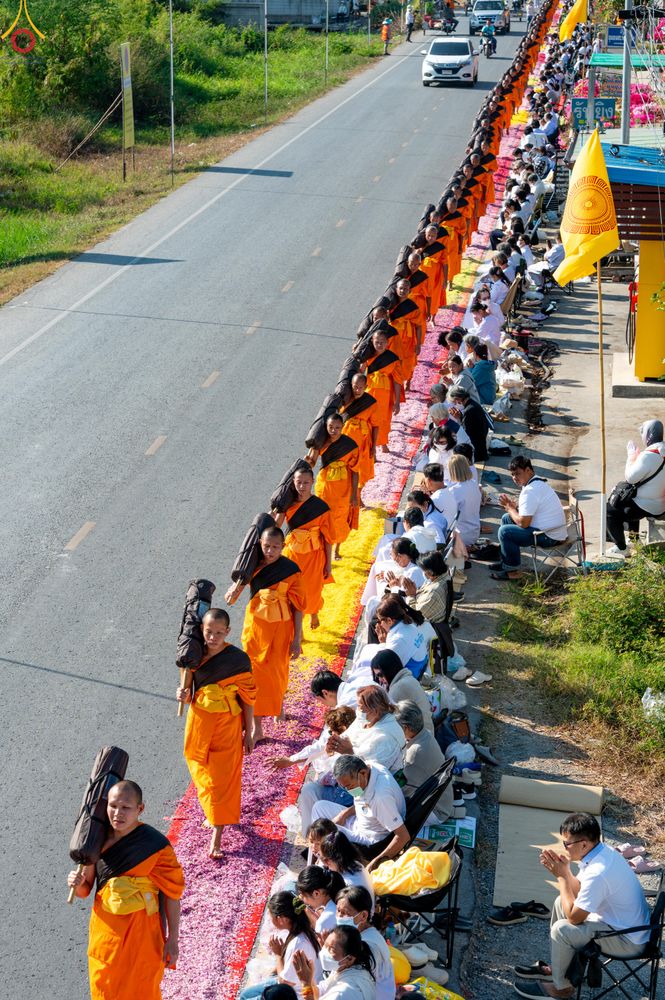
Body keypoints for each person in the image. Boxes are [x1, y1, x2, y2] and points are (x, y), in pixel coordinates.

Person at [67, 780, 185, 1000]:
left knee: (142, 991)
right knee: (105, 992)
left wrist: (173, 940)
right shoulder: (96, 841)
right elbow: (85, 890)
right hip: (106, 939)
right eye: (112, 806)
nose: (117, 814)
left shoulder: (155, 845)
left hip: (142, 939)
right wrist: (77, 882)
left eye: (126, 808)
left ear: (140, 809)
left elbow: (172, 893)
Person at [513, 813, 651, 1000]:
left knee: (562, 930)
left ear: (584, 844)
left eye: (566, 844)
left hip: (627, 941)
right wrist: (565, 871)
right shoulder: (603, 853)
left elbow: (574, 918)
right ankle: (561, 969)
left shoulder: (598, 872)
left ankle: (562, 989)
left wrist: (561, 877)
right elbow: (579, 892)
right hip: (624, 926)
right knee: (560, 902)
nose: (563, 848)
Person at [176, 608, 256, 859]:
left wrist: (251, 729)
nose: (213, 637)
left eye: (219, 633)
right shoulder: (193, 656)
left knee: (222, 780)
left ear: (228, 632)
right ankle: (213, 812)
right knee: (201, 771)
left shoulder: (238, 659)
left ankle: (217, 837)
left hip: (227, 726)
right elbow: (188, 692)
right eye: (209, 632)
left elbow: (249, 697)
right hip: (200, 725)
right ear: (202, 630)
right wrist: (182, 694)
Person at [231, 526, 306, 742]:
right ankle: (257, 727)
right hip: (256, 629)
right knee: (255, 676)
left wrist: (296, 638)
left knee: (278, 672)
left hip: (281, 630)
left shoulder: (291, 570)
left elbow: (298, 606)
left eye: (275, 547)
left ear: (283, 547)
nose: (270, 551)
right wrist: (233, 591)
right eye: (266, 546)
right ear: (260, 546)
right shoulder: (252, 567)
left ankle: (279, 704)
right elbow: (239, 586)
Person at [310, 755, 409, 869]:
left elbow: (403, 836)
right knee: (319, 807)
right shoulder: (371, 767)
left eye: (349, 786)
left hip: (368, 838)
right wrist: (344, 815)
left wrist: (376, 862)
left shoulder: (381, 798)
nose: (348, 791)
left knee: (323, 831)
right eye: (344, 787)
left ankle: (319, 869)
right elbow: (363, 802)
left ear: (362, 773)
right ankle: (317, 857)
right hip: (360, 820)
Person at [276, 464, 333, 631]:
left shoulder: (321, 507)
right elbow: (276, 527)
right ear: (293, 483)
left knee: (313, 590)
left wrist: (328, 564)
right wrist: (279, 507)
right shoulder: (289, 505)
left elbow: (328, 539)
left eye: (306, 483)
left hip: (315, 556)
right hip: (293, 554)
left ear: (313, 482)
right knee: (292, 592)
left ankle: (314, 611)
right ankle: (297, 630)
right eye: (298, 482)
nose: (302, 487)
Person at [490, 456, 567, 580]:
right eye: (512, 474)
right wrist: (512, 509)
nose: (515, 478)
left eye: (518, 474)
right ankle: (507, 563)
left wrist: (510, 508)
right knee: (506, 518)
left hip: (549, 536)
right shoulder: (535, 483)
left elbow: (524, 523)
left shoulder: (530, 490)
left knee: (505, 532)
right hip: (553, 531)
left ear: (528, 471)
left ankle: (512, 571)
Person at [238, 891, 321, 1000]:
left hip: (295, 994)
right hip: (297, 985)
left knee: (244, 998)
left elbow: (284, 984)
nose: (270, 919)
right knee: (245, 994)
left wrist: (278, 954)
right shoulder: (303, 929)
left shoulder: (297, 944)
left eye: (271, 916)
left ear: (282, 919)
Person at [606, 419, 665, 555]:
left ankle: (621, 548)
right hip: (661, 504)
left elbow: (630, 477)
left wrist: (631, 457)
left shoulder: (649, 456)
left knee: (610, 509)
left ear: (648, 435)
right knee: (629, 499)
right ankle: (633, 539)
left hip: (647, 507)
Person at [312, 413, 360, 560]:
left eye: (337, 428)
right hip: (325, 487)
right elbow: (312, 460)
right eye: (331, 427)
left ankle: (336, 549)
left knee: (340, 519)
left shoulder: (350, 445)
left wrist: (353, 495)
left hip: (343, 489)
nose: (334, 430)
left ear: (342, 427)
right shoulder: (321, 443)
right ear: (326, 427)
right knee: (325, 518)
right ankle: (324, 550)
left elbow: (355, 471)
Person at [335, 887, 396, 1000]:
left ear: (363, 916)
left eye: (345, 913)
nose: (339, 917)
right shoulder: (359, 934)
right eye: (338, 911)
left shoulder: (369, 945)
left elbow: (343, 972)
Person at [394, 701, 453, 816]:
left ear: (405, 728)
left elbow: (401, 789)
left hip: (436, 810)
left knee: (386, 811)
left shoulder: (415, 753)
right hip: (440, 799)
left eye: (394, 726)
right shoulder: (424, 733)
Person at [294, 925, 376, 999]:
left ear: (349, 958)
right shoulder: (343, 969)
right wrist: (310, 979)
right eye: (325, 945)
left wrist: (306, 984)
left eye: (331, 949)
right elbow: (322, 990)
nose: (324, 952)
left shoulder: (345, 992)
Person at [370, 647, 435, 734]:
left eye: (381, 675)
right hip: (426, 733)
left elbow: (385, 720)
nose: (380, 680)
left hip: (420, 739)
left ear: (390, 670)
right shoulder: (407, 678)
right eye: (378, 676)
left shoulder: (398, 688)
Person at [341, 373, 379, 492]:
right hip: (345, 439)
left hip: (363, 442)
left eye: (360, 387)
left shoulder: (370, 402)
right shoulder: (345, 400)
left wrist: (373, 446)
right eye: (355, 387)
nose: (357, 390)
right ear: (351, 386)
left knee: (361, 469)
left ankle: (358, 494)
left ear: (366, 386)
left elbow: (376, 425)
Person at [319, 830, 376, 905]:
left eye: (325, 860)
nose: (325, 865)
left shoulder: (347, 884)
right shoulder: (356, 864)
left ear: (336, 859)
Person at [402, 550, 451, 625]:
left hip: (430, 626)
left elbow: (416, 615)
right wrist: (415, 591)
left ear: (430, 572)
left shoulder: (433, 592)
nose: (422, 572)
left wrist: (410, 596)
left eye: (423, 570)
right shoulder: (442, 576)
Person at [295, 866, 346, 940]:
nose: (300, 898)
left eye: (303, 895)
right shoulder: (339, 899)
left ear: (316, 893)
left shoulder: (324, 921)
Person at [447, 386, 490, 462]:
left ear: (458, 399)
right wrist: (460, 417)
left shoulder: (469, 410)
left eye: (455, 401)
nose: (456, 404)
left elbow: (465, 433)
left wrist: (459, 419)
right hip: (480, 445)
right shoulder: (472, 404)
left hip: (477, 450)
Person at [446, 454, 481, 547]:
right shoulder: (474, 483)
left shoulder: (454, 491)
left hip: (460, 536)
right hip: (475, 531)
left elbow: (447, 515)